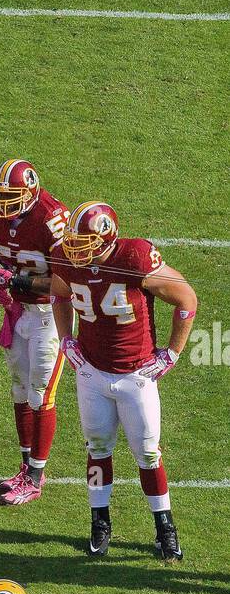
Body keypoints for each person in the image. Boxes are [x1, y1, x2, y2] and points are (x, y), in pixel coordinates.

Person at [51, 202, 197, 560]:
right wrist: (65, 339)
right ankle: (99, 521)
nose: (76, 249)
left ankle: (164, 526)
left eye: (84, 241)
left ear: (106, 238)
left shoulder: (134, 257)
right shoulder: (66, 258)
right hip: (92, 370)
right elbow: (59, 294)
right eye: (74, 240)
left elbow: (186, 299)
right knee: (97, 448)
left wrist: (173, 353)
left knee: (148, 454)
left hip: (136, 374)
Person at [0, 160, 70, 503]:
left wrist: (18, 279)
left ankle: (35, 476)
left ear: (31, 192)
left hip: (49, 313)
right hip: (17, 312)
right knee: (19, 388)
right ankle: (24, 465)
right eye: (1, 196)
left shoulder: (52, 219)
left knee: (40, 392)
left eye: (12, 196)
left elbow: (66, 282)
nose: (4, 204)